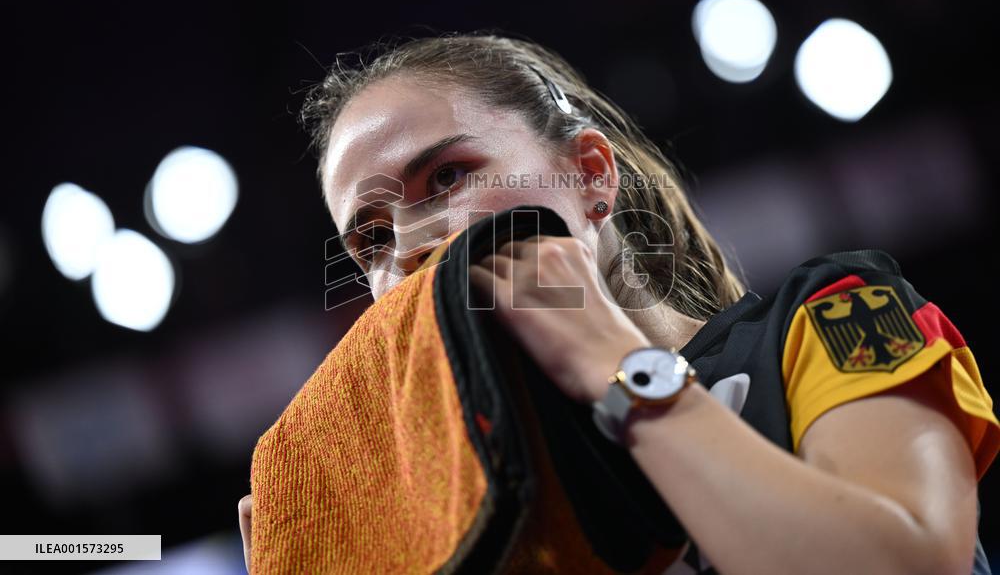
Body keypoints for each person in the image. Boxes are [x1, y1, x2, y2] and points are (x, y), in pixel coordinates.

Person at [239, 33, 998, 574]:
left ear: (591, 177)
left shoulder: (832, 313)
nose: (408, 249)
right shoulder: (479, 514)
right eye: (370, 240)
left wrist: (619, 369)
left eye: (447, 178)